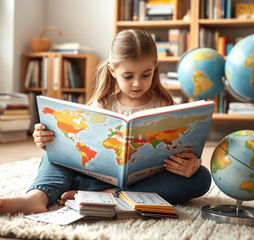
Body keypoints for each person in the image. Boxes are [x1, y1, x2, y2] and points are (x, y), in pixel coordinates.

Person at [0, 29, 211, 215]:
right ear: (112, 71)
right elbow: (76, 146)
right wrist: (47, 140)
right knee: (54, 157)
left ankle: (109, 196)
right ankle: (38, 196)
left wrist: (191, 163)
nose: (137, 83)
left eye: (145, 74)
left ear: (154, 67)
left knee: (201, 177)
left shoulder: (165, 104)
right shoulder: (100, 104)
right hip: (95, 177)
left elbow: (180, 150)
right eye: (128, 76)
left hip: (144, 181)